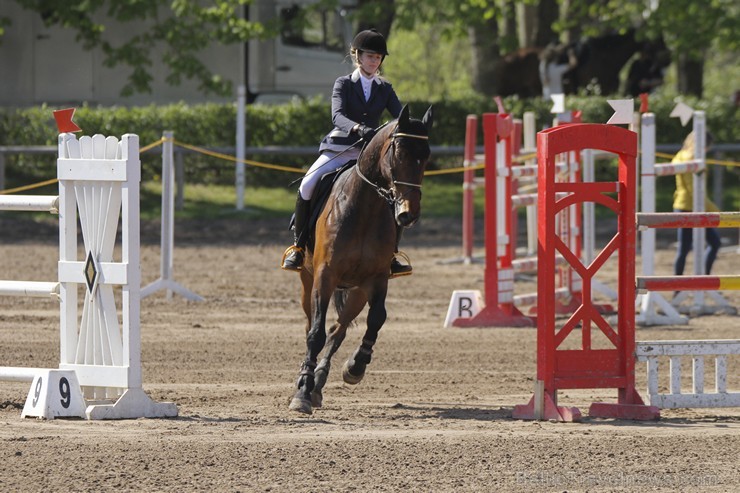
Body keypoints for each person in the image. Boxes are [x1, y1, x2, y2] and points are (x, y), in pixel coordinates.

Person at [280, 29, 412, 277]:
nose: (375, 61)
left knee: (395, 195)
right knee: (307, 185)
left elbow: (399, 115)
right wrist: (357, 127)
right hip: (340, 148)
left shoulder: (384, 88)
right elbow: (337, 115)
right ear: (358, 56)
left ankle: (392, 254)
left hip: (368, 155)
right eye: (370, 56)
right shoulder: (343, 84)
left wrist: (411, 128)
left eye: (378, 58)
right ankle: (298, 247)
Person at [672, 130, 721, 277]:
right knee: (714, 243)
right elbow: (695, 190)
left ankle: (677, 286)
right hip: (692, 206)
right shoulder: (693, 158)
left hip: (681, 204)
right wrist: (715, 211)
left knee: (684, 249)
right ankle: (703, 278)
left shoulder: (681, 154)